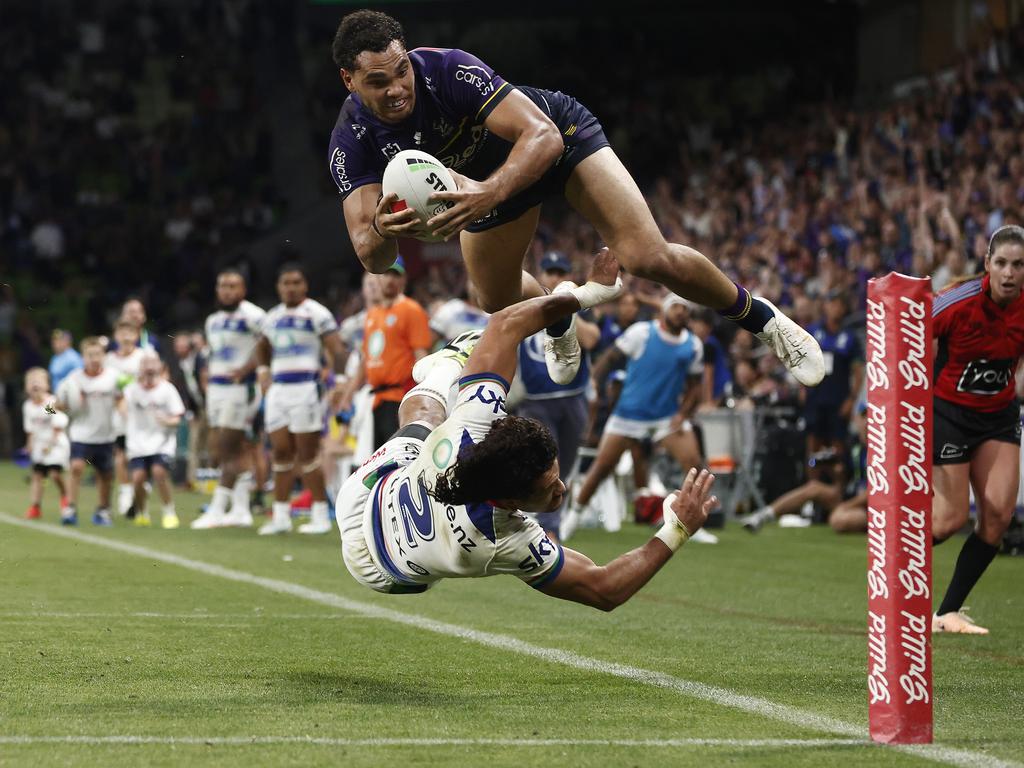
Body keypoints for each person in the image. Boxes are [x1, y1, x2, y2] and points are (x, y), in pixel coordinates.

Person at [327, 9, 823, 392]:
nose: (397, 89)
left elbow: (540, 136)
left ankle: (765, 320)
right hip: (483, 188)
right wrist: (384, 231)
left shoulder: (447, 70)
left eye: (400, 72)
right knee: (494, 300)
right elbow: (371, 254)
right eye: (378, 82)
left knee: (646, 257)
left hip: (557, 140)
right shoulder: (351, 142)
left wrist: (489, 191)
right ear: (349, 80)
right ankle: (559, 313)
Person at [336, 248, 718, 604]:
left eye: (554, 477)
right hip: (382, 568)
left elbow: (504, 323)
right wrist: (676, 529)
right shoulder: (505, 539)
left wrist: (588, 295)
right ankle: (450, 365)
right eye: (549, 486)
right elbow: (603, 589)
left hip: (366, 495)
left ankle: (449, 364)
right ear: (511, 501)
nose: (562, 487)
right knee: (428, 426)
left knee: (424, 418)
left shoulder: (473, 423)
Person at [930, 225, 1024, 635]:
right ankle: (892, 569)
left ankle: (946, 612)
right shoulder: (954, 303)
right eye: (1001, 263)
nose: (1009, 273)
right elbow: (898, 333)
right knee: (947, 521)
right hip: (949, 412)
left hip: (999, 415)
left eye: (1019, 265)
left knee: (998, 517)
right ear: (987, 264)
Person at [561, 293, 706, 542]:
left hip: (665, 418)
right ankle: (572, 519)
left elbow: (695, 385)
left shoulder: (693, 345)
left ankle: (693, 525)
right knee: (601, 468)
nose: (682, 312)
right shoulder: (642, 332)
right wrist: (594, 382)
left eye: (686, 308)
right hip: (628, 415)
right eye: (677, 307)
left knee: (694, 463)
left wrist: (683, 414)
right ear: (664, 311)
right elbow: (610, 358)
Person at [515, 250, 600, 539]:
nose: (554, 277)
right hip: (535, 401)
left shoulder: (579, 306)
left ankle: (549, 519)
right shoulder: (526, 303)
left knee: (565, 463)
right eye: (549, 272)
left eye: (559, 273)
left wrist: (564, 311)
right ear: (542, 275)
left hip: (572, 396)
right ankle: (543, 525)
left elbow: (592, 338)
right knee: (541, 461)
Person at [256, 263, 346, 536]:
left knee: (307, 453)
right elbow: (261, 346)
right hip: (278, 390)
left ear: (304, 285)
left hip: (306, 388)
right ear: (278, 287)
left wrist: (339, 381)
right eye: (286, 283)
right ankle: (280, 516)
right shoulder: (271, 317)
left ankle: (320, 514)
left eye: (296, 282)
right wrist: (262, 371)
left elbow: (338, 350)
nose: (291, 287)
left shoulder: (317, 313)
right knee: (280, 452)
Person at [193, 269, 267, 529]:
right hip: (216, 388)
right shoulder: (212, 320)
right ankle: (240, 509)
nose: (227, 290)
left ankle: (217, 508)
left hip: (240, 389)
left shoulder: (254, 315)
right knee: (227, 449)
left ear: (243, 289)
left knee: (228, 446)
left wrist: (247, 369)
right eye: (223, 285)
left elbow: (268, 345)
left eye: (233, 286)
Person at [341, 255, 432, 449]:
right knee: (380, 464)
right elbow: (366, 360)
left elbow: (421, 355)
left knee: (399, 459)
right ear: (377, 278)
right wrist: (348, 395)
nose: (390, 280)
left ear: (403, 280)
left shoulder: (411, 310)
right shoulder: (372, 315)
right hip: (377, 400)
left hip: (400, 397)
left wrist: (425, 395)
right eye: (385, 274)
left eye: (395, 275)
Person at [739, 401, 869, 533]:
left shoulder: (882, 449)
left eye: (872, 416)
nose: (868, 421)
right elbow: (843, 483)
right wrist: (835, 472)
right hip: (853, 497)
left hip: (870, 505)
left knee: (839, 521)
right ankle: (762, 516)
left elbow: (873, 493)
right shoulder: (853, 444)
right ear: (856, 419)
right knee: (814, 487)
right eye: (864, 416)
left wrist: (846, 506)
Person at [55, 337, 122, 526]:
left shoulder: (113, 377)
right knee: (76, 467)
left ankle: (102, 510)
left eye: (98, 354)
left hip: (106, 434)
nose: (94, 358)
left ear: (104, 356)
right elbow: (51, 407)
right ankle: (70, 508)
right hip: (81, 434)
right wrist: (65, 406)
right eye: (90, 355)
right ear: (83, 357)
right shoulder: (73, 380)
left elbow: (122, 398)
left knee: (105, 474)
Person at [803, 289, 863, 483]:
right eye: (831, 303)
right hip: (815, 397)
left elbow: (858, 372)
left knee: (838, 446)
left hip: (838, 399)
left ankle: (838, 490)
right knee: (814, 444)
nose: (835, 308)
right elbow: (799, 359)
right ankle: (813, 489)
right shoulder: (814, 332)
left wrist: (852, 399)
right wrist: (802, 387)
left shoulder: (850, 338)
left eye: (839, 304)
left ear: (844, 308)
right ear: (825, 306)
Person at [121, 353, 186, 529]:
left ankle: (169, 511)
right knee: (137, 478)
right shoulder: (131, 390)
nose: (149, 367)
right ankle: (142, 512)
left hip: (161, 441)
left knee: (159, 473)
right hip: (138, 442)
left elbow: (178, 417)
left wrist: (167, 421)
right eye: (144, 363)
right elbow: (122, 406)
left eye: (152, 363)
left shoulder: (167, 389)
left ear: (160, 366)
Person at [105, 320, 145, 515]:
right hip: (118, 415)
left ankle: (139, 490)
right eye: (122, 332)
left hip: (141, 414)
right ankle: (125, 491)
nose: (126, 336)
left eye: (130, 332)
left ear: (137, 336)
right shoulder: (110, 360)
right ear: (116, 336)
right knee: (120, 455)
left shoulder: (143, 357)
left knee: (137, 454)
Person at [22, 368, 70, 520]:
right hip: (39, 446)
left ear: (47, 385)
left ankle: (65, 497)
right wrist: (29, 444)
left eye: (39, 381)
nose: (35, 384)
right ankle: (35, 506)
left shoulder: (49, 403)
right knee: (37, 476)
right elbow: (30, 428)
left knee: (55, 475)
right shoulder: (28, 406)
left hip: (55, 445)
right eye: (31, 382)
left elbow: (57, 425)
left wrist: (50, 444)